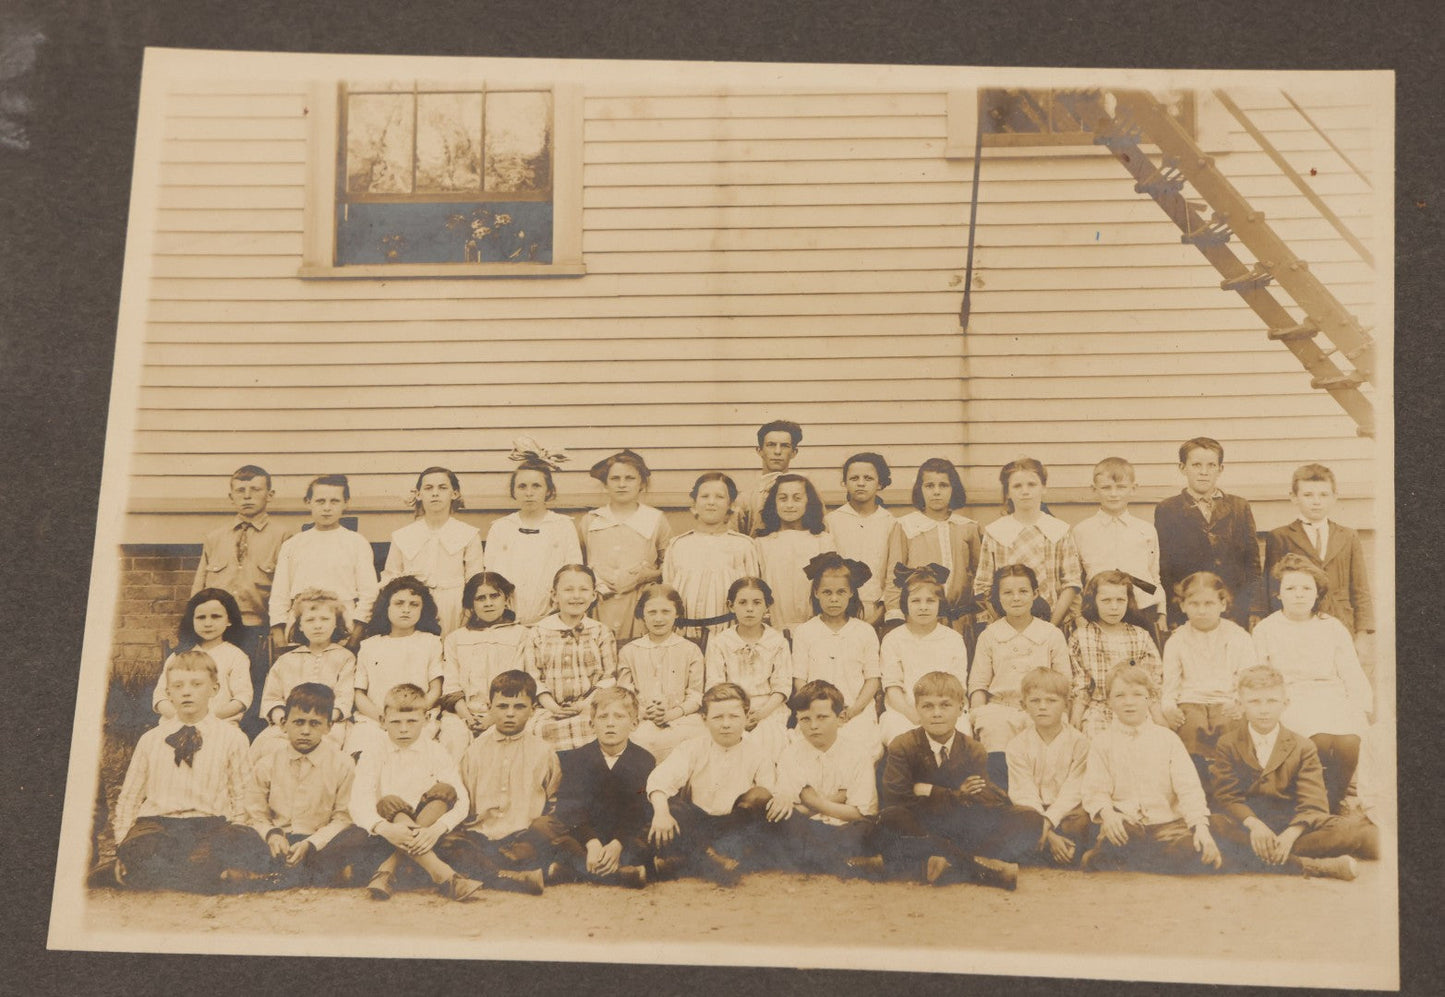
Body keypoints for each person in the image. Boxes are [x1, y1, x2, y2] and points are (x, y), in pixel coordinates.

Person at [98, 650, 254, 892]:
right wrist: (122, 843)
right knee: (143, 849)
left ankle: (171, 872)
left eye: (196, 684)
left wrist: (237, 838)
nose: (187, 691)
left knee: (216, 852)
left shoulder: (233, 738)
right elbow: (130, 797)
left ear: (214, 689)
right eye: (178, 686)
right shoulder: (151, 739)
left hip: (209, 824)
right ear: (168, 692)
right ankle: (171, 871)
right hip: (157, 825)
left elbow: (243, 795)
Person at [874, 671, 1043, 889]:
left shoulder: (973, 749)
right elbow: (896, 796)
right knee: (891, 818)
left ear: (961, 707)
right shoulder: (903, 745)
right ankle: (978, 869)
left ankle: (940, 863)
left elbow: (981, 798)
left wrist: (927, 790)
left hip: (962, 825)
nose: (937, 714)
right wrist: (953, 794)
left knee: (1029, 818)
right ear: (917, 709)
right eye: (927, 706)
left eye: (945, 705)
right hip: (922, 825)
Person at [1207, 666, 1375, 880]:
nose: (1264, 710)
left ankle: (1265, 856)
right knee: (1216, 826)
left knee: (1347, 829)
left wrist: (1290, 834)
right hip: (1249, 827)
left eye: (1272, 701)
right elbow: (1227, 796)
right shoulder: (1228, 743)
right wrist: (1255, 824)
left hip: (1292, 825)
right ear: (1240, 705)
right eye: (1254, 702)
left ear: (1285, 704)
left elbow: (1313, 801)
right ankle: (1311, 865)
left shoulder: (1302, 745)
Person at [1251, 554, 1373, 813]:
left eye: (1306, 588)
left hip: (1331, 694)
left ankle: (1333, 801)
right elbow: (1260, 674)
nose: (1299, 594)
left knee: (1349, 742)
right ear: (1278, 594)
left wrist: (1361, 705)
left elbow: (1350, 671)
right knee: (1319, 740)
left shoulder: (1332, 627)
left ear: (1317, 593)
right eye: (1291, 588)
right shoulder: (1266, 629)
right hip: (1290, 697)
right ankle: (1311, 802)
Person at [1079, 663, 1222, 874]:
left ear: (1150, 699)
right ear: (1109, 702)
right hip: (1126, 824)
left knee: (1191, 848)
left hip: (1166, 824)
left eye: (1138, 695)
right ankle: (1142, 857)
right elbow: (1096, 789)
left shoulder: (1168, 739)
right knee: (1120, 834)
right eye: (1120, 696)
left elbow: (1188, 788)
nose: (1129, 702)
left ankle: (1139, 859)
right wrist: (1108, 815)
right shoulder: (1102, 742)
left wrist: (1200, 828)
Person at [348, 683, 483, 901]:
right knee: (388, 801)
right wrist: (384, 828)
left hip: (428, 834)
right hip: (388, 832)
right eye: (395, 722)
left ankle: (389, 869)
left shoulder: (436, 750)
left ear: (427, 719)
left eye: (412, 721)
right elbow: (359, 801)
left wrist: (436, 829)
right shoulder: (373, 751)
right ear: (382, 721)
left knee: (445, 791)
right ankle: (445, 876)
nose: (403, 729)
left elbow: (462, 801)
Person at [227, 683, 370, 888]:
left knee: (359, 835)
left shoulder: (342, 764)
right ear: (284, 723)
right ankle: (314, 876)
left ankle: (274, 876)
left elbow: (343, 817)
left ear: (328, 726)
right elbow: (255, 813)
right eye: (299, 722)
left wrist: (311, 843)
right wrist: (272, 834)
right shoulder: (267, 763)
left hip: (317, 843)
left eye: (314, 724)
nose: (305, 731)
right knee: (231, 833)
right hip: (277, 842)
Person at [433, 670, 562, 896]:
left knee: (552, 839)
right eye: (502, 707)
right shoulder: (474, 752)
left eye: (519, 707)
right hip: (482, 837)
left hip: (522, 838)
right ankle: (508, 877)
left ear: (533, 710)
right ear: (490, 707)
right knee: (448, 845)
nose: (510, 714)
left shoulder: (544, 752)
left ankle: (491, 872)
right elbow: (464, 802)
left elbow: (553, 801)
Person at [646, 682, 787, 886]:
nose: (726, 724)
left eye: (734, 716)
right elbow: (660, 780)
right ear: (704, 720)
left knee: (759, 796)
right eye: (718, 717)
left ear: (747, 718)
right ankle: (712, 860)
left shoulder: (758, 751)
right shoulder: (692, 748)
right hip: (698, 824)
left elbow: (768, 793)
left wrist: (780, 797)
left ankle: (697, 860)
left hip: (735, 826)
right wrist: (661, 813)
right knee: (674, 808)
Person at [191, 464, 290, 737]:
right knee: (216, 682)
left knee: (254, 689)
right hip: (217, 630)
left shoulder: (283, 537)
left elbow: (286, 587)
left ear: (269, 494)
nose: (248, 496)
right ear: (231, 496)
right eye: (241, 491)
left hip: (257, 629)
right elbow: (199, 590)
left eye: (255, 490)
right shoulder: (215, 538)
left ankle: (249, 740)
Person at [1261, 463, 1375, 678]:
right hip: (1298, 623)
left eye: (1324, 494)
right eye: (1308, 494)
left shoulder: (1348, 536)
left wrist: (1362, 635)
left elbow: (1360, 589)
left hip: (1342, 621)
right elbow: (1273, 590)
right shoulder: (1280, 536)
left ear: (1335, 497)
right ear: (1294, 497)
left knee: (1343, 679)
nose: (1316, 501)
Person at [349, 576, 469, 762]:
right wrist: (382, 717)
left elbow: (435, 689)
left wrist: (414, 713)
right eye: (399, 603)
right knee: (365, 752)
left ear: (423, 610)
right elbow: (359, 694)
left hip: (419, 718)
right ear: (385, 607)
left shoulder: (430, 643)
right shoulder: (369, 645)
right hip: (376, 720)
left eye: (414, 604)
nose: (406, 609)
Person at [550, 686, 656, 888]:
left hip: (624, 837)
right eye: (603, 717)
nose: (610, 724)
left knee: (652, 831)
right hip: (587, 836)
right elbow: (570, 807)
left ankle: (572, 871)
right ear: (591, 724)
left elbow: (639, 810)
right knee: (548, 829)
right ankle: (622, 875)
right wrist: (591, 842)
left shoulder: (643, 760)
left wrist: (618, 844)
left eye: (619, 717)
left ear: (634, 723)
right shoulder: (576, 759)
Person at [773, 680, 880, 876]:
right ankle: (842, 863)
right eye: (805, 719)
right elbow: (789, 806)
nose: (813, 726)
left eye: (822, 717)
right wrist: (838, 799)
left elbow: (860, 813)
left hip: (845, 828)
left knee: (867, 829)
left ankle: (817, 860)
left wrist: (813, 801)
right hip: (807, 827)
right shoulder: (790, 754)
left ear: (840, 718)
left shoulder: (858, 754)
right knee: (783, 825)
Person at [1160, 572, 1256, 784]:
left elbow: (1247, 678)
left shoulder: (1238, 637)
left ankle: (1230, 788)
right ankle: (1198, 787)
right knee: (1191, 724)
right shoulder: (1177, 641)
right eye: (1194, 604)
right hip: (1191, 700)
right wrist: (1169, 707)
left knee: (1229, 723)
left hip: (1227, 700)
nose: (1201, 610)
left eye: (1209, 603)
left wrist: (1239, 703)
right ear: (1183, 605)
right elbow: (1170, 684)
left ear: (1223, 604)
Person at [1155, 438, 1260, 631]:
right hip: (1190, 609)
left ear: (1220, 469)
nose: (1204, 472)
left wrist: (1254, 608)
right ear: (1182, 467)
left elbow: (1252, 564)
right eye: (1196, 465)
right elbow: (1165, 568)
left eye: (1211, 465)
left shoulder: (1239, 507)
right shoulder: (1168, 509)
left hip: (1233, 609)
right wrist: (1174, 612)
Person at [268, 474, 378, 653]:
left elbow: (369, 595)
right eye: (320, 501)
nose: (327, 508)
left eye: (334, 501)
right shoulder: (293, 545)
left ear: (346, 503)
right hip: (302, 627)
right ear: (308, 502)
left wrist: (354, 639)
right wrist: (280, 641)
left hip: (344, 628)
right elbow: (279, 596)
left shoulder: (356, 543)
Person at [968, 564, 1070, 756]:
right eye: (1007, 592)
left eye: (1023, 591)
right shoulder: (990, 635)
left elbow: (1064, 682)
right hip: (1000, 710)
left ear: (1035, 593)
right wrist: (979, 714)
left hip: (1042, 709)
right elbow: (978, 684)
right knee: (997, 752)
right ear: (998, 596)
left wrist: (1060, 714)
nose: (1016, 598)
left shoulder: (1051, 634)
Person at [790, 553, 883, 760]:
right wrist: (817, 708)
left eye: (841, 592)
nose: (834, 599)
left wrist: (853, 710)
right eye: (827, 592)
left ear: (851, 592)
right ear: (816, 593)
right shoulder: (805, 632)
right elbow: (800, 680)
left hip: (854, 712)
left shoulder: (864, 631)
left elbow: (872, 679)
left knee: (860, 752)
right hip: (816, 711)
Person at [518, 564, 619, 751]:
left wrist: (585, 704)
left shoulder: (601, 632)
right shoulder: (538, 632)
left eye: (583, 590)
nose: (576, 596)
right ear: (554, 595)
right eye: (568, 589)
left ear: (594, 595)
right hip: (548, 708)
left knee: (596, 731)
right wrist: (552, 706)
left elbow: (608, 678)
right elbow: (533, 677)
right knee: (537, 732)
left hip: (590, 707)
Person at [973, 457, 1082, 628]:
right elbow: (983, 586)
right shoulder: (995, 532)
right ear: (1008, 492)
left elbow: (1071, 583)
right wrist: (1003, 624)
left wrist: (1051, 627)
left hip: (1053, 622)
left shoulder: (1059, 530)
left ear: (1043, 488)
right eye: (1017, 486)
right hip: (1006, 624)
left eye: (1032, 484)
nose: (1025, 491)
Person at [483, 441, 582, 625]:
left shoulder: (562, 526)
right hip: (508, 620)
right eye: (522, 486)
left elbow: (573, 575)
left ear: (548, 490)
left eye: (536, 486)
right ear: (513, 491)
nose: (529, 493)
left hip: (552, 618)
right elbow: (490, 578)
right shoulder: (501, 528)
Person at [577, 449, 672, 640]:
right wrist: (593, 577)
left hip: (638, 604)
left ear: (641, 483)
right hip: (599, 605)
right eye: (615, 478)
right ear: (605, 484)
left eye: (629, 478)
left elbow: (670, 564)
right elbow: (577, 564)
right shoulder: (592, 520)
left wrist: (649, 575)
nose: (622, 484)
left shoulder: (655, 519)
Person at [882, 458, 981, 635]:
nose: (936, 492)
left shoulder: (968, 527)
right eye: (929, 486)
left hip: (960, 621)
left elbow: (979, 575)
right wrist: (895, 613)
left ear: (953, 489)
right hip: (920, 620)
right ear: (920, 489)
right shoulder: (906, 526)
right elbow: (894, 576)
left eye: (943, 485)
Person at [380, 466, 483, 636]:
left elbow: (475, 579)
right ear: (418, 494)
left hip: (455, 607)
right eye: (428, 488)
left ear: (454, 493)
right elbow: (391, 577)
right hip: (414, 607)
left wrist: (468, 613)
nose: (435, 493)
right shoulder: (403, 535)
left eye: (442, 488)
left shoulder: (468, 534)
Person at [1069, 456, 1165, 638]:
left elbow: (1154, 576)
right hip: (1097, 611)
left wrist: (1161, 610)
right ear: (1094, 490)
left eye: (1121, 487)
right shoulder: (1082, 531)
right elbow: (1075, 579)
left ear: (1133, 488)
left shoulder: (1145, 530)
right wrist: (1078, 616)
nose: (1114, 494)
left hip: (1142, 609)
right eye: (1106, 488)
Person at [1005, 668, 1091, 865]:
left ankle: (1043, 848)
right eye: (1035, 701)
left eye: (1051, 701)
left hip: (1066, 811)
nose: (1042, 707)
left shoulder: (1080, 743)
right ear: (1023, 705)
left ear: (1066, 705)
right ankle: (1050, 846)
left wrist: (1049, 821)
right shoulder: (1017, 745)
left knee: (1082, 822)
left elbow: (1074, 790)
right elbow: (1023, 792)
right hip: (1033, 811)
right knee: (1013, 819)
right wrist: (1045, 830)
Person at [252, 588, 355, 754]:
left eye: (325, 619)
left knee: (326, 750)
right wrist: (285, 721)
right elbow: (272, 698)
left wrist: (324, 720)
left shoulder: (344, 658)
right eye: (310, 620)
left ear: (336, 623)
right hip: (289, 724)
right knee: (270, 747)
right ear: (300, 626)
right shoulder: (286, 660)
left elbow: (344, 698)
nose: (318, 625)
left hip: (329, 725)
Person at [878, 565, 971, 744]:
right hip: (905, 712)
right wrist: (911, 713)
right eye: (915, 601)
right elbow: (892, 687)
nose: (923, 607)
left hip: (946, 709)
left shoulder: (952, 639)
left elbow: (958, 685)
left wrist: (941, 712)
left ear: (940, 604)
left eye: (930, 601)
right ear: (905, 603)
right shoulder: (894, 639)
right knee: (901, 737)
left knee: (960, 737)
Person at [663, 471, 759, 645]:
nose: (711, 502)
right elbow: (668, 595)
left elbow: (753, 595)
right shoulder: (678, 545)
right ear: (694, 505)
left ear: (731, 505)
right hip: (683, 637)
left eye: (720, 497)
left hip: (728, 637)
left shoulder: (743, 546)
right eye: (705, 496)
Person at [702, 577, 793, 760]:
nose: (750, 609)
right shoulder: (720, 643)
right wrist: (737, 712)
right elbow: (715, 685)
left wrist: (761, 714)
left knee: (769, 740)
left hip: (768, 709)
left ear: (767, 606)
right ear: (731, 605)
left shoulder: (777, 642)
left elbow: (782, 686)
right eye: (742, 602)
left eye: (757, 603)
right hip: (729, 706)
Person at [1069, 570, 1165, 738]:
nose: (1114, 607)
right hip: (1098, 709)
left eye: (1120, 600)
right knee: (1095, 742)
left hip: (1136, 707)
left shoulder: (1140, 635)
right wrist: (1076, 716)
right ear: (1093, 602)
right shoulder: (1081, 637)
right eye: (1106, 600)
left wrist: (1158, 717)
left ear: (1129, 601)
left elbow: (1153, 682)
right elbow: (1080, 685)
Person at [617, 583, 705, 763]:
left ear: (677, 613)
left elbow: (696, 696)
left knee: (695, 741)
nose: (659, 619)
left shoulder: (690, 650)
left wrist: (671, 714)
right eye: (652, 612)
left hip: (681, 718)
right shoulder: (629, 651)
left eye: (666, 612)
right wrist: (644, 712)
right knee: (638, 740)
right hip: (641, 718)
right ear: (642, 614)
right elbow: (625, 694)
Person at [441, 571, 529, 739]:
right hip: (461, 714)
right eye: (480, 598)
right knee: (454, 738)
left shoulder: (521, 635)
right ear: (471, 604)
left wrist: (492, 718)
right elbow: (451, 686)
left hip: (506, 711)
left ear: (506, 599)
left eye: (494, 596)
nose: (488, 603)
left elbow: (519, 682)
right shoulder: (455, 638)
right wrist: (467, 717)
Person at [151, 588, 253, 728]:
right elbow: (160, 696)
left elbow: (242, 698)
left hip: (220, 725)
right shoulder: (179, 655)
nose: (208, 623)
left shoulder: (236, 657)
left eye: (216, 616)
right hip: (177, 725)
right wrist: (180, 718)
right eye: (201, 617)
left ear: (229, 620)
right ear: (192, 620)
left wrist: (209, 718)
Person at [754, 473, 835, 637]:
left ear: (808, 503)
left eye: (797, 498)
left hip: (815, 627)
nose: (789, 505)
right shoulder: (762, 544)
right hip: (773, 627)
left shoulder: (822, 541)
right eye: (783, 498)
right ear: (774, 503)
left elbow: (829, 585)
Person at [824, 452, 895, 625]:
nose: (861, 483)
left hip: (879, 609)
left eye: (868, 478)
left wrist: (881, 611)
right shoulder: (832, 521)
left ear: (880, 483)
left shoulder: (891, 523)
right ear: (845, 482)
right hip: (839, 609)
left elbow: (893, 572)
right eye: (854, 478)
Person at [735, 419, 807, 538]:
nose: (777, 452)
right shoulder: (745, 499)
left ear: (794, 452)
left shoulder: (806, 492)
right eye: (771, 445)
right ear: (760, 451)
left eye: (785, 446)